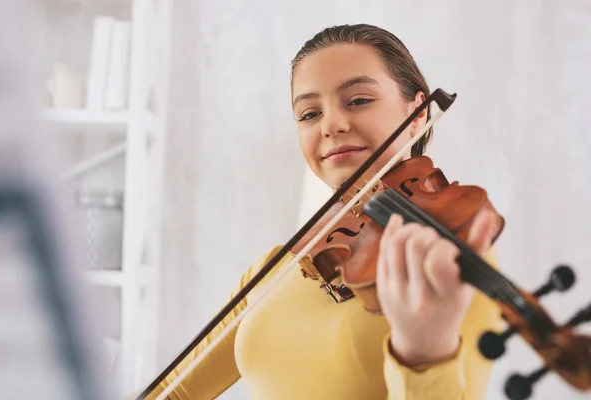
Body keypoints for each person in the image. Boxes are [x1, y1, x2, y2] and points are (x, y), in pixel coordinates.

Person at [141, 23, 504, 400]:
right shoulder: (279, 268)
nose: (331, 125)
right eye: (309, 114)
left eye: (359, 100)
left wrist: (424, 353)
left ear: (416, 114)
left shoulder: (447, 256)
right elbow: (174, 390)